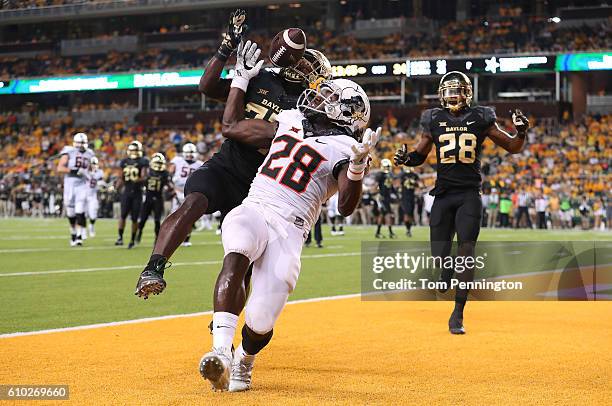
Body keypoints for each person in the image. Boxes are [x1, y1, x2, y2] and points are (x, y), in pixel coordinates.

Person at [198, 55, 379, 392]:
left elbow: (346, 207)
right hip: (256, 206)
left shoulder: (346, 146)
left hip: (290, 228)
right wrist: (239, 81)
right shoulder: (291, 119)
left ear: (349, 112)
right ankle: (221, 350)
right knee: (237, 245)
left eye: (332, 98)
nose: (321, 97)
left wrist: (355, 169)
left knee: (261, 320)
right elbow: (232, 128)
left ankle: (244, 363)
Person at [135, 11, 333, 298]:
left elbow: (236, 127)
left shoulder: (308, 112)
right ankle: (153, 268)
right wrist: (225, 50)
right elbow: (207, 87)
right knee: (192, 203)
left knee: (242, 262)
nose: (306, 69)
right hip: (227, 165)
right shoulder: (261, 78)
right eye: (305, 62)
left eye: (311, 67)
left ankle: (224, 319)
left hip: (263, 186)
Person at [394, 71, 530, 334]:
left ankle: (458, 312)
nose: (453, 96)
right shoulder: (432, 117)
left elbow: (512, 147)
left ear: (467, 93)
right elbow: (420, 154)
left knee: (466, 253)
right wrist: (406, 158)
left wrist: (521, 132)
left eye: (458, 91)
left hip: (469, 194)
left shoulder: (481, 117)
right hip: (443, 195)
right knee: (439, 256)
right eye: (449, 91)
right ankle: (445, 272)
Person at [56, 132, 96, 246]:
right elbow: (60, 168)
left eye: (83, 143)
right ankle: (73, 233)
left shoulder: (90, 154)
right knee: (71, 213)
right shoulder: (69, 151)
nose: (82, 145)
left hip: (82, 185)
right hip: (70, 184)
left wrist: (88, 172)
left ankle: (79, 236)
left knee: (79, 211)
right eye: (80, 143)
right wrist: (73, 170)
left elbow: (93, 169)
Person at [115, 141, 148, 249]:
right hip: (127, 191)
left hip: (137, 192)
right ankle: (120, 237)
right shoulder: (124, 161)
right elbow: (121, 177)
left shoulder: (143, 161)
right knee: (123, 215)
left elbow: (144, 176)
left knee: (134, 218)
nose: (134, 152)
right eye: (132, 150)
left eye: (135, 150)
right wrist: (116, 187)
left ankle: (132, 239)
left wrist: (137, 179)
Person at [169, 143, 203, 247]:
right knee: (174, 215)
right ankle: (172, 237)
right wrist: (173, 187)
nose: (189, 155)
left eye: (191, 153)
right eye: (187, 153)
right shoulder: (177, 161)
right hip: (178, 190)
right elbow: (169, 174)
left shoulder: (200, 164)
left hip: (191, 191)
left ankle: (186, 239)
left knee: (189, 217)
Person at [137, 153, 171, 244]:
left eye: (160, 163)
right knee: (143, 219)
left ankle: (157, 238)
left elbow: (169, 184)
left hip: (158, 198)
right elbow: (142, 181)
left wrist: (171, 189)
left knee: (157, 220)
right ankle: (139, 233)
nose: (159, 165)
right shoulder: (147, 171)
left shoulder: (165, 173)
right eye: (157, 163)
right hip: (148, 197)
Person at [374, 159, 396, 238]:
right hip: (382, 197)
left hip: (387, 197)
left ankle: (378, 232)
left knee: (383, 215)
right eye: (386, 166)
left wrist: (394, 193)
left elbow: (391, 186)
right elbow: (376, 186)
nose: (387, 168)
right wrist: (377, 194)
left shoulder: (390, 174)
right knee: (387, 214)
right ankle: (390, 233)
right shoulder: (380, 174)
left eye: (388, 166)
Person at [85, 156, 104, 237]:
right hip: (83, 195)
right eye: (92, 164)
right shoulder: (84, 171)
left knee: (93, 215)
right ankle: (82, 231)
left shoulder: (99, 172)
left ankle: (91, 226)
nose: (93, 165)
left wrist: (102, 186)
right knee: (82, 214)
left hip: (93, 196)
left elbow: (101, 183)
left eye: (95, 164)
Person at [399, 167, 419, 236]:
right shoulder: (403, 175)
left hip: (412, 197)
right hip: (405, 197)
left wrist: (414, 182)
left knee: (410, 214)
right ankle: (408, 230)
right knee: (406, 214)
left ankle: (409, 230)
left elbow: (419, 185)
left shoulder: (415, 175)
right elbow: (399, 185)